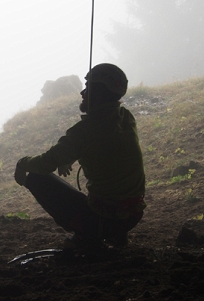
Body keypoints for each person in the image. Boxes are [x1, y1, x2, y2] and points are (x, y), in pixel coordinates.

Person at [14, 63, 146, 251]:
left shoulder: (83, 131)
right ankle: (117, 235)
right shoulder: (126, 118)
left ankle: (86, 238)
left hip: (100, 221)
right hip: (133, 216)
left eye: (88, 88)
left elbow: (46, 163)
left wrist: (22, 163)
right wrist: (69, 157)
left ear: (98, 94)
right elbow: (108, 147)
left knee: (37, 177)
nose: (82, 93)